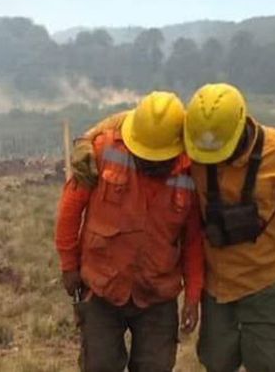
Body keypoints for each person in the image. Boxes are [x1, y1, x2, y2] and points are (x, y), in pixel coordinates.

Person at [72, 84, 275, 372]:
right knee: (217, 361)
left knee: (270, 362)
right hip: (216, 285)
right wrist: (86, 139)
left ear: (240, 129)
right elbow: (143, 119)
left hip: (264, 281)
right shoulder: (197, 134)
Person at [55, 91, 204, 372]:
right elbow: (69, 210)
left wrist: (193, 297)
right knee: (99, 365)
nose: (150, 164)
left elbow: (194, 241)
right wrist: (68, 264)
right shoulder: (102, 150)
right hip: (101, 288)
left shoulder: (190, 173)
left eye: (159, 159)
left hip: (157, 294)